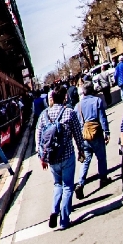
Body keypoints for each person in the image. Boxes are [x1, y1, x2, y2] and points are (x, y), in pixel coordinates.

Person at [36, 86, 86, 230]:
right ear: (64, 97)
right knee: (68, 186)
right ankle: (64, 219)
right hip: (67, 155)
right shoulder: (69, 113)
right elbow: (77, 133)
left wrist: (42, 157)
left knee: (57, 185)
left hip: (52, 159)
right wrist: (81, 150)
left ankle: (54, 210)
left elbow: (39, 139)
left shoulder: (44, 115)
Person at [74, 79, 110, 199]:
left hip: (84, 136)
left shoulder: (77, 106)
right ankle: (103, 178)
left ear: (83, 92)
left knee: (86, 161)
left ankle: (80, 184)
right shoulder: (97, 101)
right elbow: (102, 118)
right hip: (96, 134)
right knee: (101, 157)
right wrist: (107, 132)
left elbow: (76, 124)